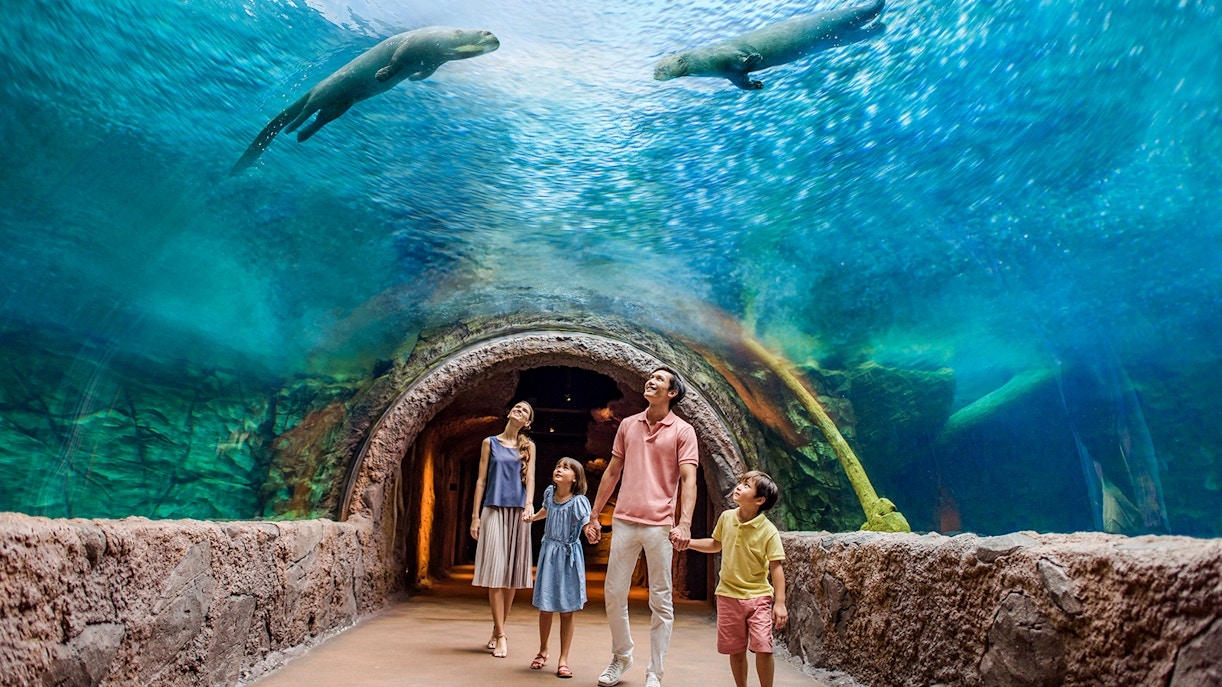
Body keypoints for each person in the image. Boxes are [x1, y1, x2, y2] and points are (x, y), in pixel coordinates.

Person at [584, 366, 699, 687]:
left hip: (660, 524)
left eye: (660, 379)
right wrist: (594, 515)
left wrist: (685, 524)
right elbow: (612, 472)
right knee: (613, 593)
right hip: (623, 520)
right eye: (651, 377)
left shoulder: (683, 431)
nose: (651, 380)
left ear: (672, 392)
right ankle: (622, 655)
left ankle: (655, 673)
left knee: (661, 600)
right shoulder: (628, 425)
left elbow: (689, 480)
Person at [688, 471, 788, 687]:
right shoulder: (726, 518)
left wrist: (779, 603)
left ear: (760, 500)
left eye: (746, 485)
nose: (739, 487)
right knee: (735, 648)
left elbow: (776, 567)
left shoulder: (768, 531)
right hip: (727, 594)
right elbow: (716, 545)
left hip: (758, 596)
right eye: (740, 483)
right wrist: (688, 542)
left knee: (763, 646)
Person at [470, 400, 537, 659]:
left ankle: (498, 627)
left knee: (511, 576)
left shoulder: (528, 446)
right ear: (509, 413)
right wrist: (475, 516)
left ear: (527, 422)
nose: (518, 411)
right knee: (497, 572)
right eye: (517, 407)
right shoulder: (490, 442)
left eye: (524, 411)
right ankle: (501, 635)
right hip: (494, 508)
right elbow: (481, 480)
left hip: (518, 511)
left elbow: (530, 478)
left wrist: (529, 504)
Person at [523, 457, 592, 679]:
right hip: (549, 553)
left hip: (568, 556)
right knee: (545, 605)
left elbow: (586, 522)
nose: (559, 470)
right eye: (558, 466)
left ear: (575, 479)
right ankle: (543, 650)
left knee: (566, 610)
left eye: (566, 468)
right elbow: (547, 510)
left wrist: (591, 531)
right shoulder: (549, 494)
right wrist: (533, 518)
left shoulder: (579, 501)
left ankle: (564, 658)